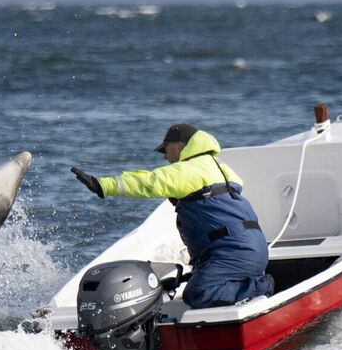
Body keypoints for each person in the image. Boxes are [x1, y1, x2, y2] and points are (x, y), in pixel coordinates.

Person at [71, 124, 274, 309]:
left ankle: (262, 287)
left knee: (198, 293)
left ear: (178, 146)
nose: (165, 157)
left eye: (166, 150)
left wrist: (103, 186)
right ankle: (252, 284)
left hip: (233, 252)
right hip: (252, 249)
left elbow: (150, 182)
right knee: (198, 281)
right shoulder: (220, 168)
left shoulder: (188, 170)